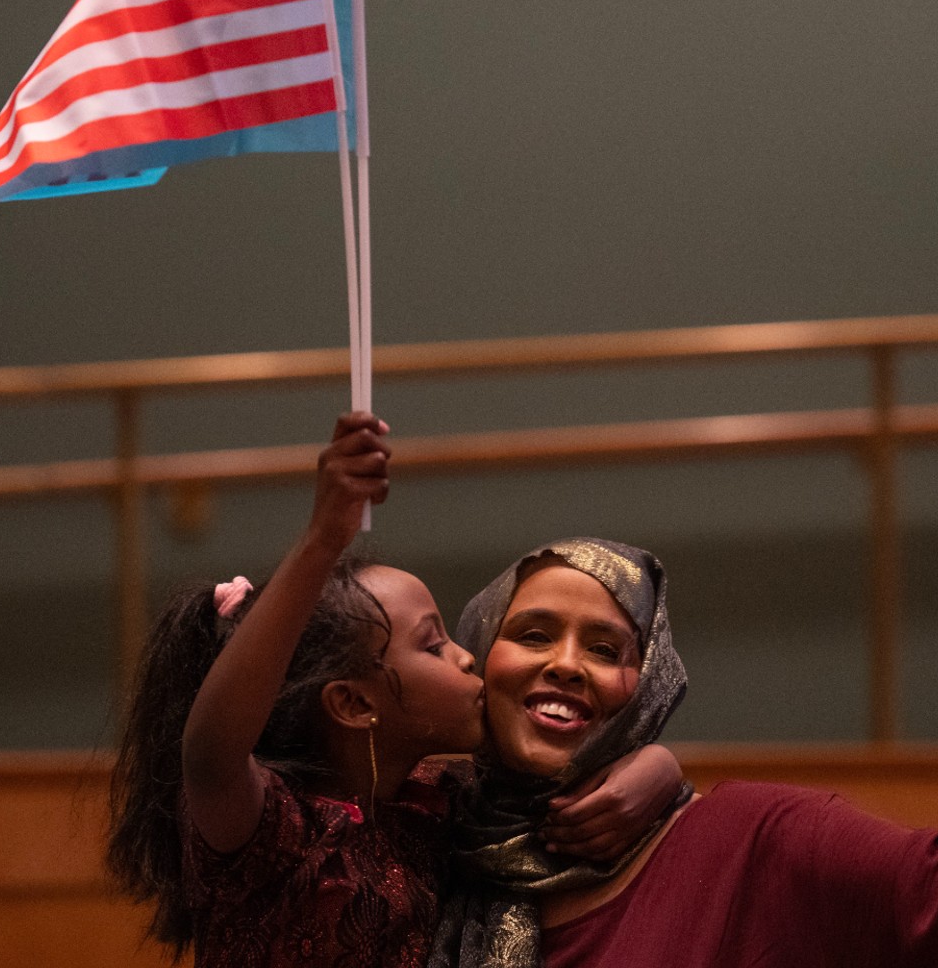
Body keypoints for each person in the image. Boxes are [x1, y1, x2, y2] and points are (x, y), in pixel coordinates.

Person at [431, 459, 938, 968]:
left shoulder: (754, 844)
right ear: (475, 654)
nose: (566, 662)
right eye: (533, 634)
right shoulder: (414, 847)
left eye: (605, 648)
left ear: (649, 689)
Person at [107, 412, 685, 968]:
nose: (465, 655)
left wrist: (658, 766)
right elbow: (210, 753)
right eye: (433, 645)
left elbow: (540, 795)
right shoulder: (273, 835)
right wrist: (321, 539)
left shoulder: (435, 804)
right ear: (355, 704)